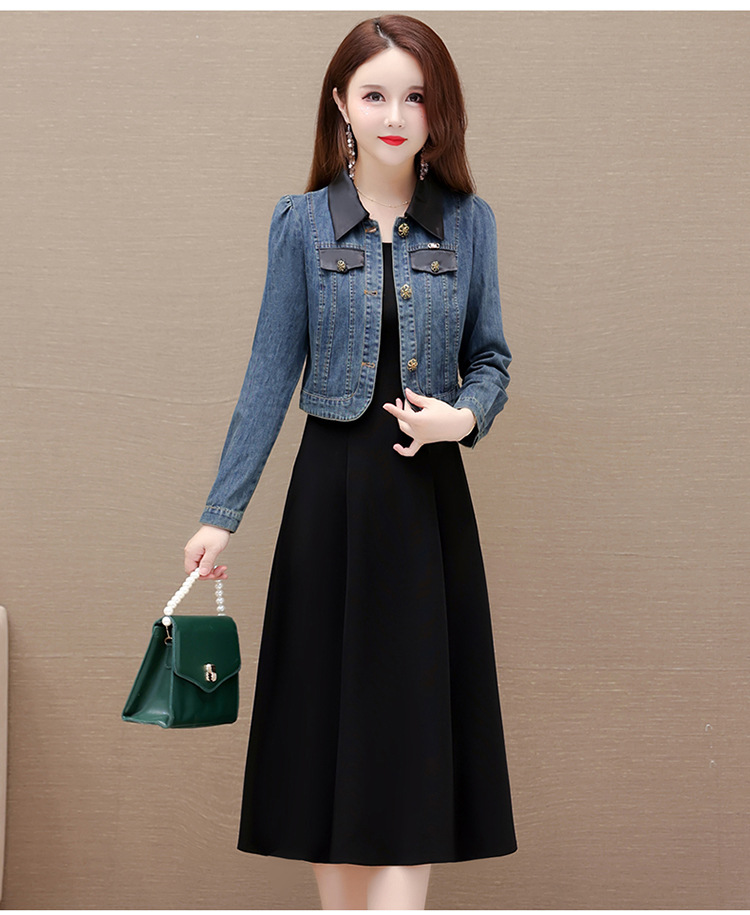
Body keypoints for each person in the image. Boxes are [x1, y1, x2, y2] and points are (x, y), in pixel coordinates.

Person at [184, 14, 517, 911]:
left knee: (414, 730)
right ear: (341, 104)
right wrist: (221, 514)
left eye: (416, 97)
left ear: (440, 112)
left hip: (427, 507)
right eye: (375, 95)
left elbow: (492, 360)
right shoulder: (299, 224)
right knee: (322, 730)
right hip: (326, 504)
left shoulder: (470, 224)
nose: (395, 115)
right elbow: (268, 374)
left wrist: (462, 417)